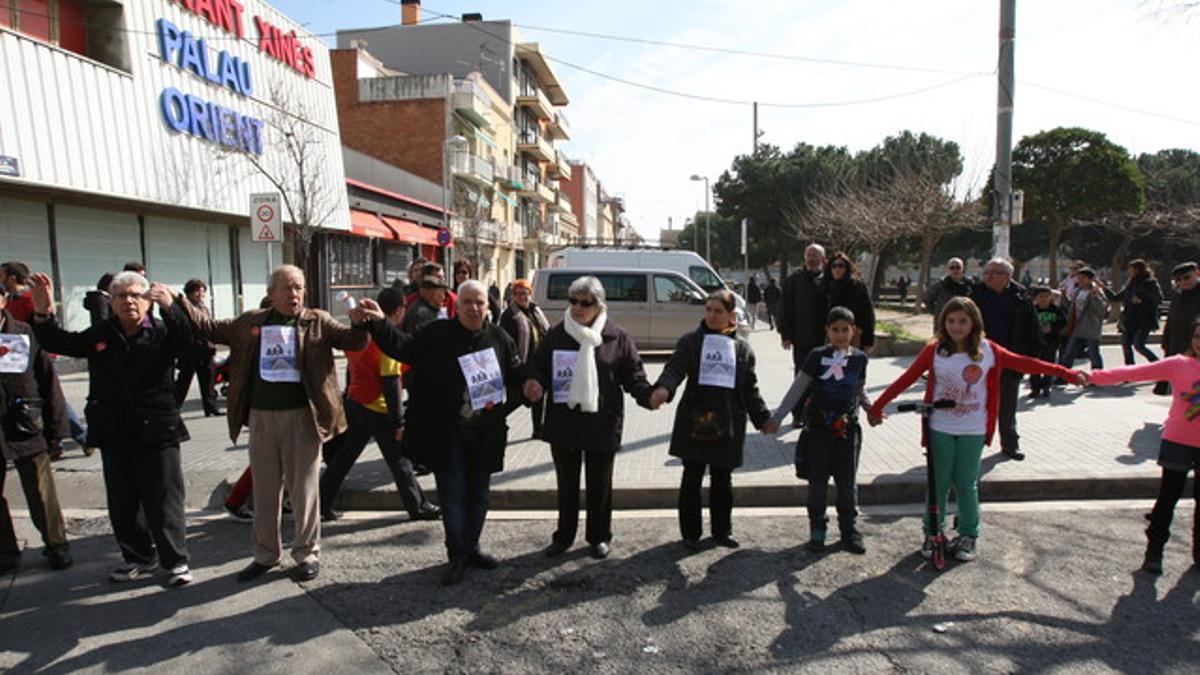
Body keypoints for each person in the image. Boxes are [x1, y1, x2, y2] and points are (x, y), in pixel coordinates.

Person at [176, 265, 369, 584]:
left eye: (299, 287)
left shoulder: (317, 321)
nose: (295, 294)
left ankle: (307, 553)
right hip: (262, 418)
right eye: (288, 287)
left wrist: (360, 324)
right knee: (265, 491)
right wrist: (177, 302)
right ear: (271, 293)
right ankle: (266, 555)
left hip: (303, 418)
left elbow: (353, 341)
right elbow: (207, 327)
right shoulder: (252, 321)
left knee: (304, 491)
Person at [868, 297, 1084, 563]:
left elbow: (1027, 363)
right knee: (939, 484)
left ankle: (968, 534)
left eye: (962, 321)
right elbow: (906, 378)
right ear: (942, 323)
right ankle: (933, 532)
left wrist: (1068, 374)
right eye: (950, 321)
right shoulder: (934, 351)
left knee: (966, 483)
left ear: (975, 323)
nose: (956, 327)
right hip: (940, 427)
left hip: (973, 428)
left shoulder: (988, 350)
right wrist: (877, 406)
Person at [353, 281, 528, 586]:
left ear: (488, 307)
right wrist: (380, 323)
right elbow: (402, 347)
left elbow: (517, 375)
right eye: (467, 303)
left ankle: (472, 547)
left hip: (484, 431)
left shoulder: (499, 337)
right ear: (456, 306)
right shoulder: (436, 333)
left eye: (480, 303)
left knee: (479, 495)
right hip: (447, 432)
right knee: (452, 494)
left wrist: (527, 387)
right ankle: (457, 555)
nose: (474, 308)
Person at [30, 271, 195, 587]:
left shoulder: (163, 332)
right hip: (114, 429)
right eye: (121, 296)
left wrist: (172, 308)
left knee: (164, 498)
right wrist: (42, 313)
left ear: (147, 300)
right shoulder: (101, 334)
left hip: (157, 428)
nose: (129, 301)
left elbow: (191, 346)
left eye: (136, 295)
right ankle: (138, 558)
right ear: (112, 302)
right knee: (122, 500)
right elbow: (60, 342)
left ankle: (175, 561)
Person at [524, 276, 655, 560]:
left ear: (599, 305)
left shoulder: (616, 337)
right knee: (567, 484)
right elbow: (538, 367)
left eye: (586, 302)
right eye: (573, 301)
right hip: (564, 421)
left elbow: (634, 376)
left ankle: (598, 536)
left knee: (600, 484)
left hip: (601, 420)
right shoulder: (557, 335)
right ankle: (564, 537)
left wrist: (649, 396)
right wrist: (534, 382)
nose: (578, 307)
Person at [649, 290, 774, 551]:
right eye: (708, 310)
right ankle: (690, 534)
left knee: (722, 480)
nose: (712, 315)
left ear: (731, 315)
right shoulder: (690, 342)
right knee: (691, 478)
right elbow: (674, 369)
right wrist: (663, 389)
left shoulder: (742, 349)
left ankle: (721, 531)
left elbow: (749, 389)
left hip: (728, 420)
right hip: (694, 419)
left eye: (718, 311)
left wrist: (762, 418)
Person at [1089, 316, 1200, 574]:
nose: (1199, 343)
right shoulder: (1179, 364)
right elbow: (1133, 372)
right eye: (1196, 337)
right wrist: (1092, 376)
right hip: (1178, 441)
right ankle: (1154, 552)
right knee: (1167, 498)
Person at [319, 288, 441, 523]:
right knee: (400, 459)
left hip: (356, 402)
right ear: (398, 311)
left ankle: (322, 503)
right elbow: (391, 382)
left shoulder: (361, 334)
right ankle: (418, 507)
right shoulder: (388, 340)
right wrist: (399, 421)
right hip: (379, 407)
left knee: (344, 457)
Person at [768, 306, 870, 553]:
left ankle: (849, 529)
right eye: (835, 329)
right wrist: (778, 416)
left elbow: (858, 389)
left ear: (853, 330)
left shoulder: (859, 359)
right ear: (827, 330)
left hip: (846, 430)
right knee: (818, 483)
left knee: (847, 483)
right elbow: (799, 387)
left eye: (845, 329)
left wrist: (871, 408)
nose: (840, 335)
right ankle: (817, 528)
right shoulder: (816, 356)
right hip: (819, 430)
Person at [0, 290, 73, 575]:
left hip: (25, 423)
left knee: (42, 492)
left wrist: (56, 429)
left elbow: (47, 380)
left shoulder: (23, 332)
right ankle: (5, 553)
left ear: (3, 300)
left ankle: (57, 545)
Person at [969, 258, 1039, 461]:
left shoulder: (1020, 297)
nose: (988, 276)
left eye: (995, 272)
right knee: (977, 405)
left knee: (1008, 405)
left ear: (1008, 277)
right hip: (979, 359)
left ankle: (1010, 444)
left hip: (1009, 359)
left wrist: (1030, 358)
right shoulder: (975, 296)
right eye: (987, 272)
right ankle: (973, 445)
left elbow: (1031, 329)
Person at [499, 279, 550, 439]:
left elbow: (544, 331)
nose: (523, 297)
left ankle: (537, 429)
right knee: (517, 398)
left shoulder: (535, 311)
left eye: (526, 293)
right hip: (520, 363)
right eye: (519, 294)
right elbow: (507, 342)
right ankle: (494, 417)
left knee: (539, 396)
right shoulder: (510, 315)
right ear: (513, 296)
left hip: (537, 361)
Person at [175, 279, 223, 417]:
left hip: (206, 350)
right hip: (191, 350)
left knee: (208, 380)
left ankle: (210, 407)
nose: (200, 294)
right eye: (197, 291)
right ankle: (175, 408)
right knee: (183, 381)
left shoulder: (204, 308)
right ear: (189, 293)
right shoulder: (185, 308)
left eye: (202, 291)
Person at [778, 244, 828, 376]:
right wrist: (785, 335)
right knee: (802, 374)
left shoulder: (830, 280)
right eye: (808, 256)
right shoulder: (794, 280)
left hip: (826, 338)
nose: (811, 259)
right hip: (802, 339)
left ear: (823, 259)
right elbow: (785, 308)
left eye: (815, 255)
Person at [1105, 259, 1163, 367]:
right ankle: (1130, 370)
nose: (1128, 271)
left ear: (1137, 270)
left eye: (1130, 269)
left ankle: (1158, 365)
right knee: (1126, 346)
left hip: (1144, 320)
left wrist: (1142, 299)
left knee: (1139, 345)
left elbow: (1158, 299)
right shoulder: (1131, 283)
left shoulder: (1150, 282)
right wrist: (1104, 289)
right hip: (1129, 320)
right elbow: (1116, 298)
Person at [822, 252, 875, 352]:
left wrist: (868, 341)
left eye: (841, 265)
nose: (837, 269)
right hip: (831, 336)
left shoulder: (856, 286)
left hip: (852, 336)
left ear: (847, 268)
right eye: (834, 266)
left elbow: (867, 314)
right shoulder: (826, 287)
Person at [1160, 262, 1200, 396]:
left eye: (1187, 277)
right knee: (1178, 392)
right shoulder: (1178, 295)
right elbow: (1171, 320)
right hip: (1177, 348)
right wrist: (1166, 342)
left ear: (1197, 273)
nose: (1183, 282)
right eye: (1178, 280)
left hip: (1196, 350)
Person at [1058, 268, 1108, 371]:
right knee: (1069, 353)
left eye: (1083, 278)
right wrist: (1063, 296)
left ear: (1090, 279)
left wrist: (1095, 297)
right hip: (1077, 328)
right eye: (1078, 278)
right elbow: (1070, 307)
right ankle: (1063, 376)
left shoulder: (1097, 293)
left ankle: (1097, 376)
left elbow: (1101, 311)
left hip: (1090, 328)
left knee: (1094, 353)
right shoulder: (1077, 291)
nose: (1080, 280)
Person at [1028, 286, 1066, 399]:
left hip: (1051, 341)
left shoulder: (1056, 310)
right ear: (1036, 298)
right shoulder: (1032, 310)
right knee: (1034, 365)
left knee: (1049, 364)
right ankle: (1035, 388)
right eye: (1041, 296)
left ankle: (1046, 386)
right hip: (1036, 342)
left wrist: (1052, 327)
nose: (1044, 299)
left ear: (1051, 297)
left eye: (1046, 296)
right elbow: (1025, 324)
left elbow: (1063, 322)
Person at [923, 257, 971, 327]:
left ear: (963, 268)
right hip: (943, 323)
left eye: (958, 267)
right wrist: (937, 312)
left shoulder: (969, 285)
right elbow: (926, 298)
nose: (955, 270)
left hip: (964, 322)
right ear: (948, 269)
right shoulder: (940, 285)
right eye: (952, 267)